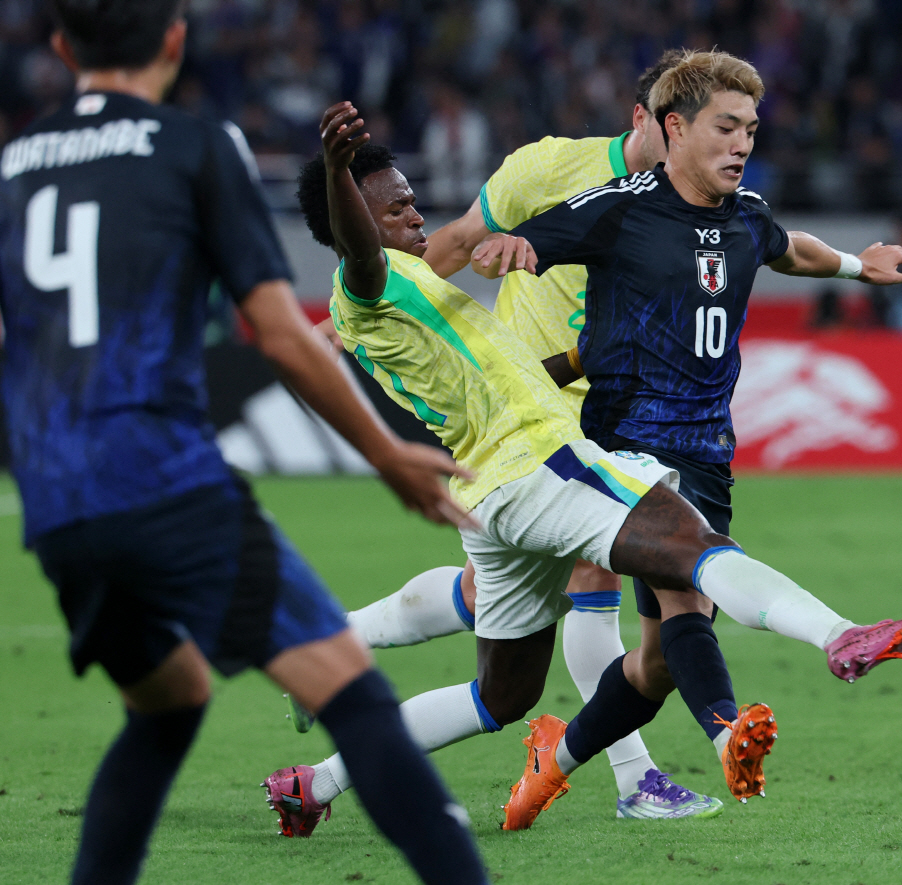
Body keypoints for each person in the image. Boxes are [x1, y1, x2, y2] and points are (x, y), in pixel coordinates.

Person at [268, 99, 902, 837]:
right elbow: (361, 253)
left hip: (494, 491)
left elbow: (492, 363)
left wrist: (576, 357)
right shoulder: (369, 283)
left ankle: (315, 782)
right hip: (538, 462)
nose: (417, 220)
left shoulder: (405, 291)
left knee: (501, 696)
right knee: (692, 548)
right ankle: (838, 634)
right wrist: (340, 170)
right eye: (399, 209)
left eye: (412, 204)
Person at [0, 4, 487, 883]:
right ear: (177, 42)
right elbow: (280, 331)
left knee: (170, 702)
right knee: (357, 701)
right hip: (162, 478)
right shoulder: (194, 144)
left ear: (63, 50)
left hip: (54, 497)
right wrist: (383, 454)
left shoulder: (15, 164)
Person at [470, 50, 902, 828]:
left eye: (751, 130)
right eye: (726, 127)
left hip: (705, 452)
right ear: (674, 129)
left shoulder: (746, 216)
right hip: (624, 446)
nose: (741, 143)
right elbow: (534, 241)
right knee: (689, 582)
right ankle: (750, 708)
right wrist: (515, 247)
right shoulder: (620, 206)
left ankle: (550, 761)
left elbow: (788, 248)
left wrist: (859, 267)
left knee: (658, 661)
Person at [302, 52, 722, 823]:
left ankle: (325, 655)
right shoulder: (547, 170)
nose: (703, 146)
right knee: (642, 577)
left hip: (597, 411)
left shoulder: (705, 202)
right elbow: (435, 246)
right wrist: (358, 303)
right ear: (649, 121)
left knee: (496, 633)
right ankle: (635, 777)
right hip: (531, 434)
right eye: (687, 128)